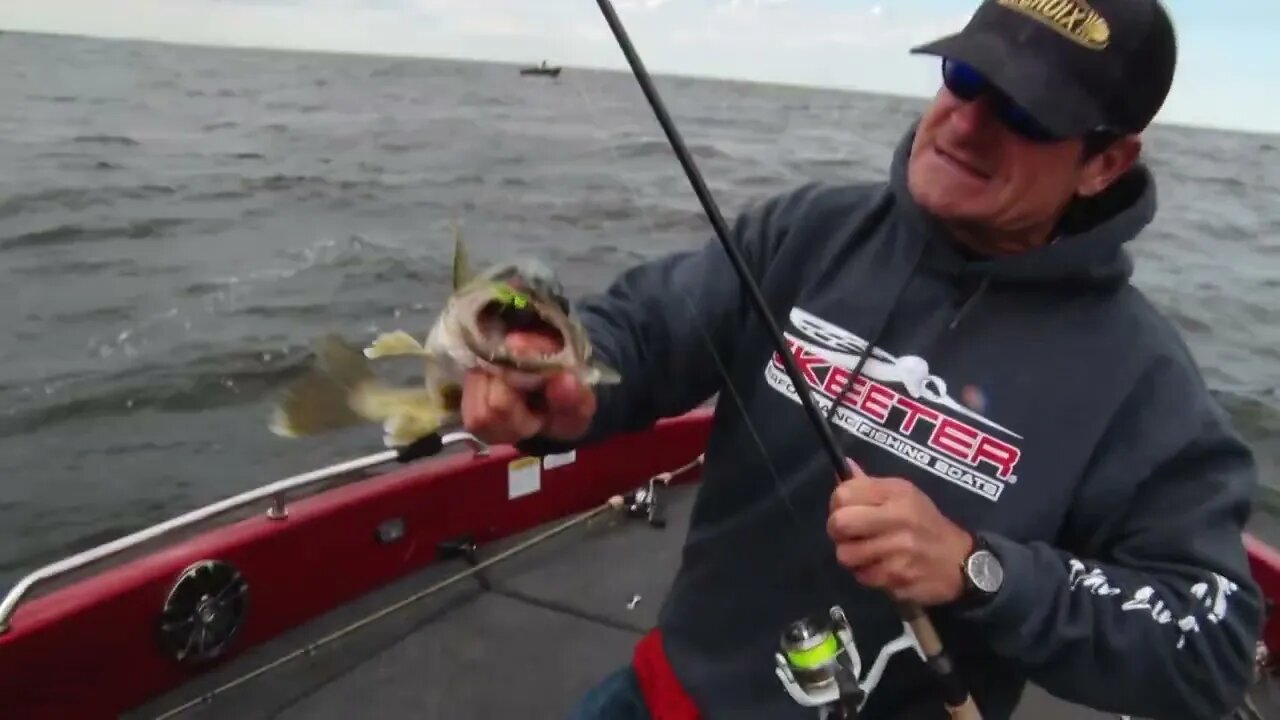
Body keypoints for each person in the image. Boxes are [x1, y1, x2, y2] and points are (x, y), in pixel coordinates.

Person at [461, 0, 1265, 718]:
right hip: (668, 697)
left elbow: (1211, 643)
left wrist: (978, 569)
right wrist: (561, 380)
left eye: (1024, 111)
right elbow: (647, 327)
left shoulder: (1140, 377)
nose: (965, 122)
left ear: (1104, 163)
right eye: (964, 76)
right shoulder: (810, 230)